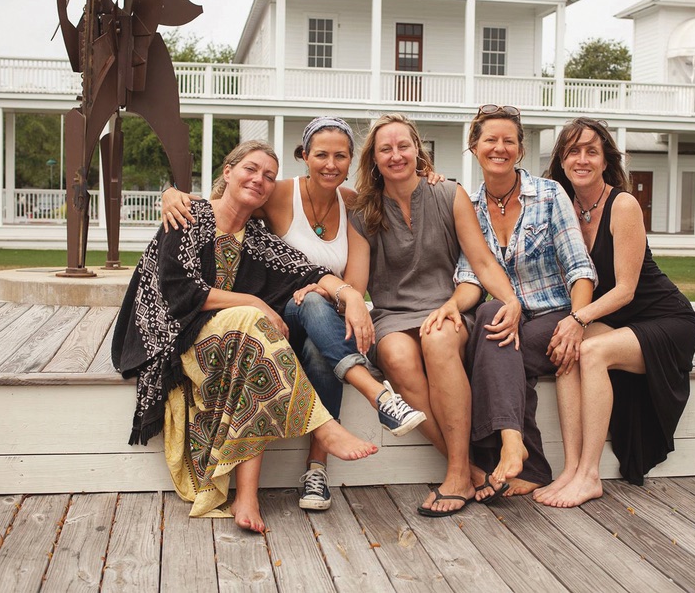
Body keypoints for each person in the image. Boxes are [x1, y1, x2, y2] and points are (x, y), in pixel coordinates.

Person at [160, 117, 425, 513]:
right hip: (280, 314)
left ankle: (315, 472)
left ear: (352, 160)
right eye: (321, 154)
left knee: (320, 337)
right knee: (310, 302)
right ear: (304, 156)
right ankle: (378, 397)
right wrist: (170, 193)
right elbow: (229, 195)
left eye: (340, 156)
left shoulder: (352, 203)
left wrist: (348, 295)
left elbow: (344, 274)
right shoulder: (275, 193)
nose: (330, 163)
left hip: (327, 322)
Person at [113, 140, 378, 532]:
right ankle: (321, 425)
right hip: (172, 335)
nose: (259, 180)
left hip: (233, 342)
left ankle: (247, 496)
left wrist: (350, 293)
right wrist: (254, 301)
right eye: (250, 169)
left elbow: (307, 272)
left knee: (252, 347)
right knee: (253, 323)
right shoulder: (189, 215)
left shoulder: (257, 240)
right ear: (228, 172)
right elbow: (178, 291)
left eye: (269, 176)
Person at [347, 112, 523, 517]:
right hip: (392, 313)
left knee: (439, 338)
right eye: (385, 149)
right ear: (374, 159)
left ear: (417, 150)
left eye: (403, 146)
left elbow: (481, 260)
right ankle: (467, 469)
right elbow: (357, 284)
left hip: (446, 305)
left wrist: (510, 299)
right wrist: (348, 298)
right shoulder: (363, 212)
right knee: (395, 355)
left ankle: (458, 473)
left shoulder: (449, 194)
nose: (396, 155)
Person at [536, 117, 695, 507]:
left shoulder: (622, 204)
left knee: (590, 349)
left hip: (664, 321)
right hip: (619, 322)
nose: (582, 159)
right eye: (573, 151)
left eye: (591, 151)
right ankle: (571, 470)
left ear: (605, 160)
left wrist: (577, 319)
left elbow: (626, 290)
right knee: (564, 350)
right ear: (561, 158)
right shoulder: (564, 208)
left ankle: (590, 476)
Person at [452, 105, 597, 503]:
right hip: (504, 318)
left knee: (492, 341)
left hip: (554, 314)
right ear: (474, 146)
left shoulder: (549, 195)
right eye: (490, 140)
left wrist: (577, 320)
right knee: (487, 316)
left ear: (520, 149)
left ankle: (515, 455)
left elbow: (579, 268)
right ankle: (520, 452)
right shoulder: (468, 205)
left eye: (508, 141)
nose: (500, 148)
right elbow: (470, 277)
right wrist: (450, 306)